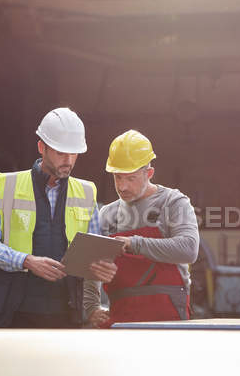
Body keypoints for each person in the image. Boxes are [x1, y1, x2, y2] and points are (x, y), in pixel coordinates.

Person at [0, 107, 118, 328]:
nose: (69, 160)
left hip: (67, 314)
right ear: (42, 147)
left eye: (74, 154)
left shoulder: (87, 192)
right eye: (61, 153)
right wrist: (27, 261)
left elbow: (93, 254)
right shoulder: (7, 185)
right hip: (13, 313)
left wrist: (101, 268)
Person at [84, 130, 199, 327]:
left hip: (169, 321)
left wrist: (134, 243)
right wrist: (91, 308)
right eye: (118, 177)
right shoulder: (106, 215)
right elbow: (91, 266)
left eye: (131, 178)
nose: (122, 187)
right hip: (121, 321)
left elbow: (189, 249)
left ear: (149, 173)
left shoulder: (172, 202)